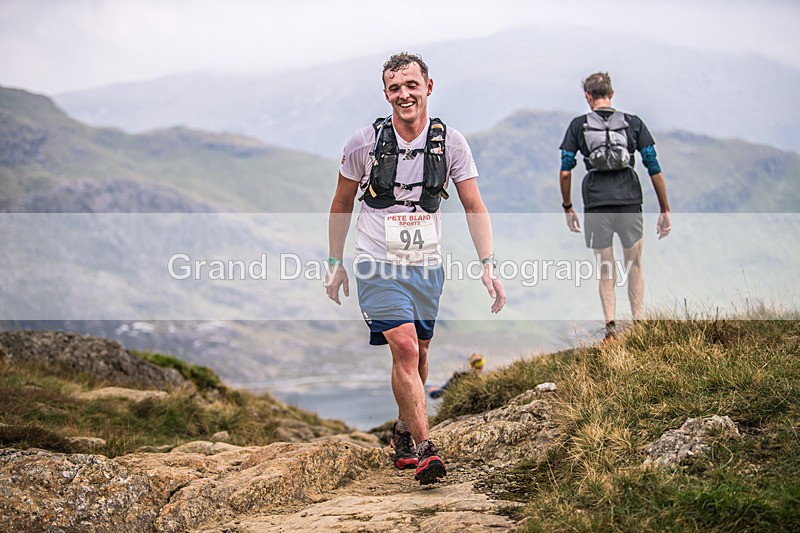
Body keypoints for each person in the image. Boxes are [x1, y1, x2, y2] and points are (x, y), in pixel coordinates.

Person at [326, 52, 506, 485]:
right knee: (404, 348)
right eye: (394, 88)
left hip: (425, 264)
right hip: (376, 262)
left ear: (428, 86)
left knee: (420, 353)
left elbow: (473, 205)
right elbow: (342, 203)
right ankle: (427, 451)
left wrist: (488, 265)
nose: (403, 94)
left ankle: (405, 429)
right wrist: (336, 262)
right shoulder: (362, 144)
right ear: (385, 93)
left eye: (411, 85)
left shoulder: (452, 143)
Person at [559, 72, 671, 341]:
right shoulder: (633, 123)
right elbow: (652, 165)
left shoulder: (578, 126)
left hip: (597, 200)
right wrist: (665, 208)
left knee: (605, 266)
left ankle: (611, 329)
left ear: (587, 96)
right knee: (634, 263)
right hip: (629, 197)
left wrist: (568, 206)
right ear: (611, 92)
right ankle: (638, 324)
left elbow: (565, 171)